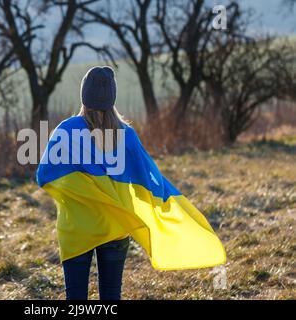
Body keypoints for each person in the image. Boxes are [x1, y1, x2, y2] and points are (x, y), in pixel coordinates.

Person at [36, 66, 226, 300]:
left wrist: (80, 190)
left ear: (83, 97)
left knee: (75, 300)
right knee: (111, 296)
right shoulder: (126, 136)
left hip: (77, 228)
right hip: (117, 226)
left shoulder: (65, 132)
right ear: (112, 99)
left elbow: (44, 175)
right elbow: (150, 178)